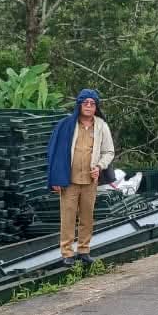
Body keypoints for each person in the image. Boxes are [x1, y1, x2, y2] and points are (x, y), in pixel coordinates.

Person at [46, 89, 115, 266]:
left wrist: (99, 166)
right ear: (79, 105)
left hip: (90, 181)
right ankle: (67, 252)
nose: (89, 106)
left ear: (96, 107)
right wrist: (56, 178)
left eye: (92, 104)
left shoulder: (101, 126)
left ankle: (84, 250)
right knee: (68, 217)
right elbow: (55, 152)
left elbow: (109, 151)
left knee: (87, 217)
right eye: (86, 103)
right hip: (69, 180)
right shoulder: (67, 125)